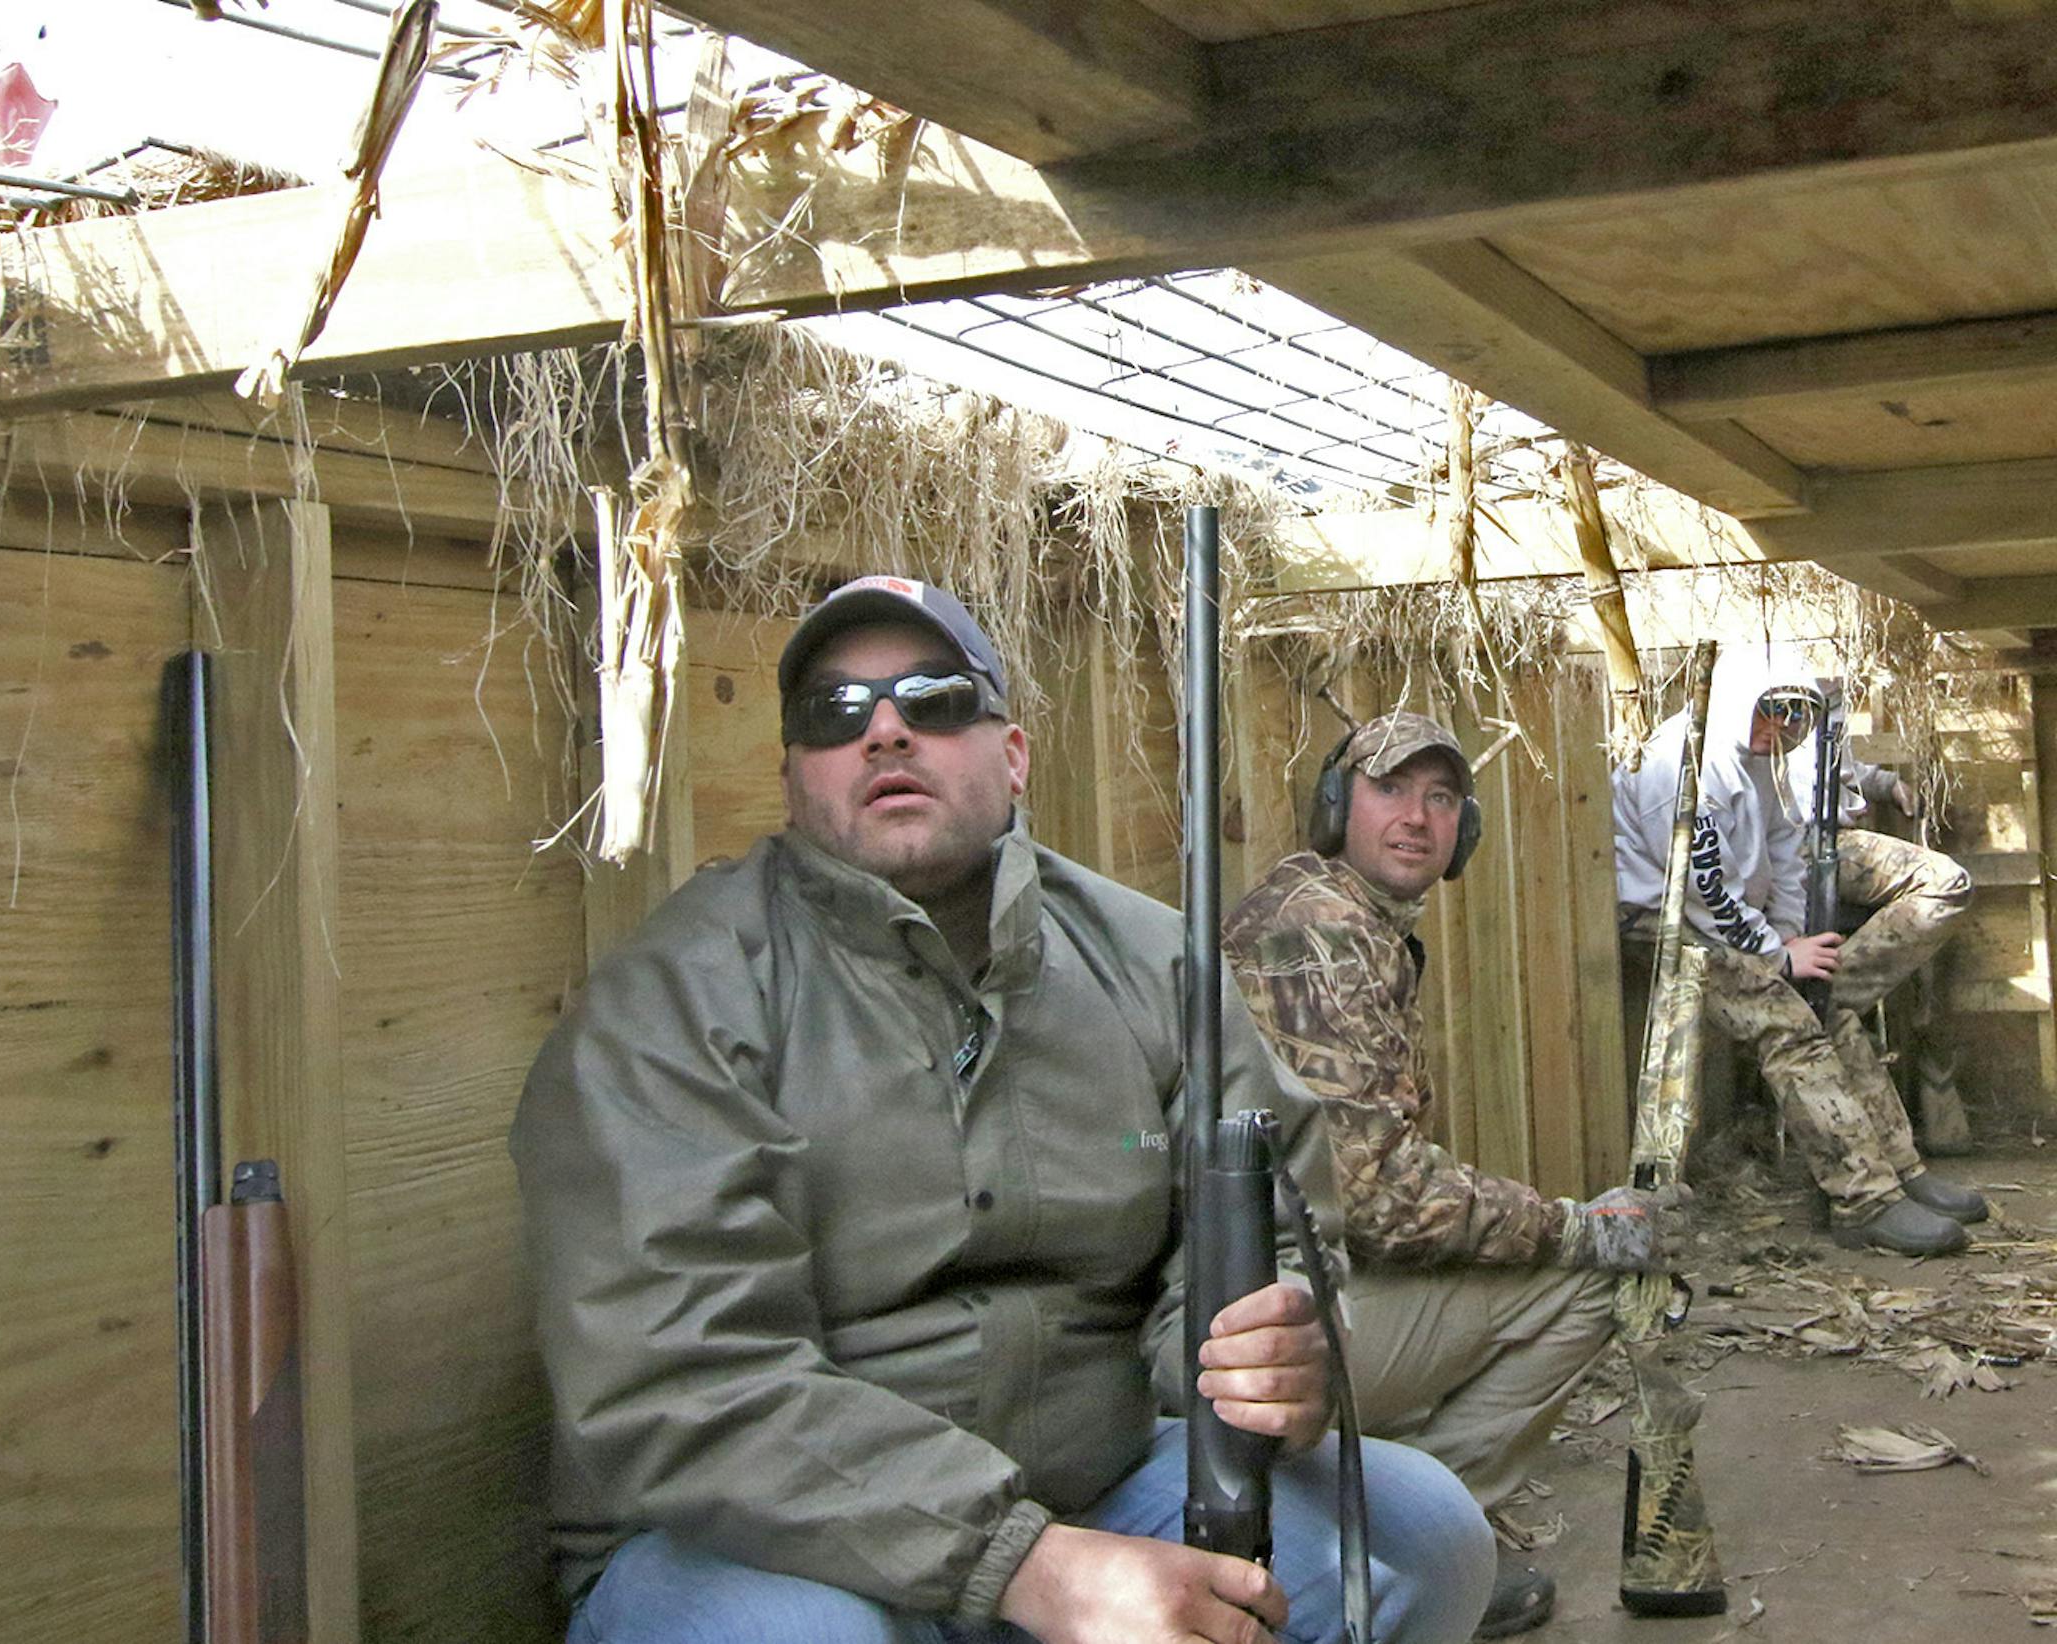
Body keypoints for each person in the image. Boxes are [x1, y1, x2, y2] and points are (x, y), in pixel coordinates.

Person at [511, 576, 1496, 1644]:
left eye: (934, 699)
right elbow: (684, 1375)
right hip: (771, 1538)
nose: (885, 730)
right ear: (794, 777)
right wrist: (1020, 1561)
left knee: (1421, 1535)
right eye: (835, 715)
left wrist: (1270, 1353)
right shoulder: (675, 997)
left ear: (1013, 755)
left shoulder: (1151, 959)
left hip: (1092, 1483)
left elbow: (1273, 1208)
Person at [1223, 712, 1687, 1640]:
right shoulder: (1319, 929)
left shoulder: (1340, 914)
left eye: (1442, 798)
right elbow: (1382, 1197)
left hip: (1277, 1300)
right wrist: (1585, 1227)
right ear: (1336, 806)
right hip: (1259, 1326)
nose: (1417, 817)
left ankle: (1380, 1523)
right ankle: (1404, 1549)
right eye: (1389, 789)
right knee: (1600, 1271)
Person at [1613, 644, 1986, 1256]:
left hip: (1727, 917)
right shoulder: (1680, 768)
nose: (1780, 728)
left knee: (1827, 1008)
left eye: (1793, 716)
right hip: (1663, 919)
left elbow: (1786, 849)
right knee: (1789, 1020)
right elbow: (1703, 890)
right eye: (1769, 712)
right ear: (1740, 705)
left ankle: (1900, 1170)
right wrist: (1777, 957)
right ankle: (1861, 1199)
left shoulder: (1761, 757)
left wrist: (1788, 933)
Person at [1784, 694, 1977, 1154]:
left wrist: (1887, 784)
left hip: (1834, 839)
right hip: (1806, 843)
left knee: (1928, 936)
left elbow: (1839, 767)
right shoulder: (1775, 680)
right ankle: (1825, 1005)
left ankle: (1832, 1006)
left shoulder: (1827, 686)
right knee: (1946, 882)